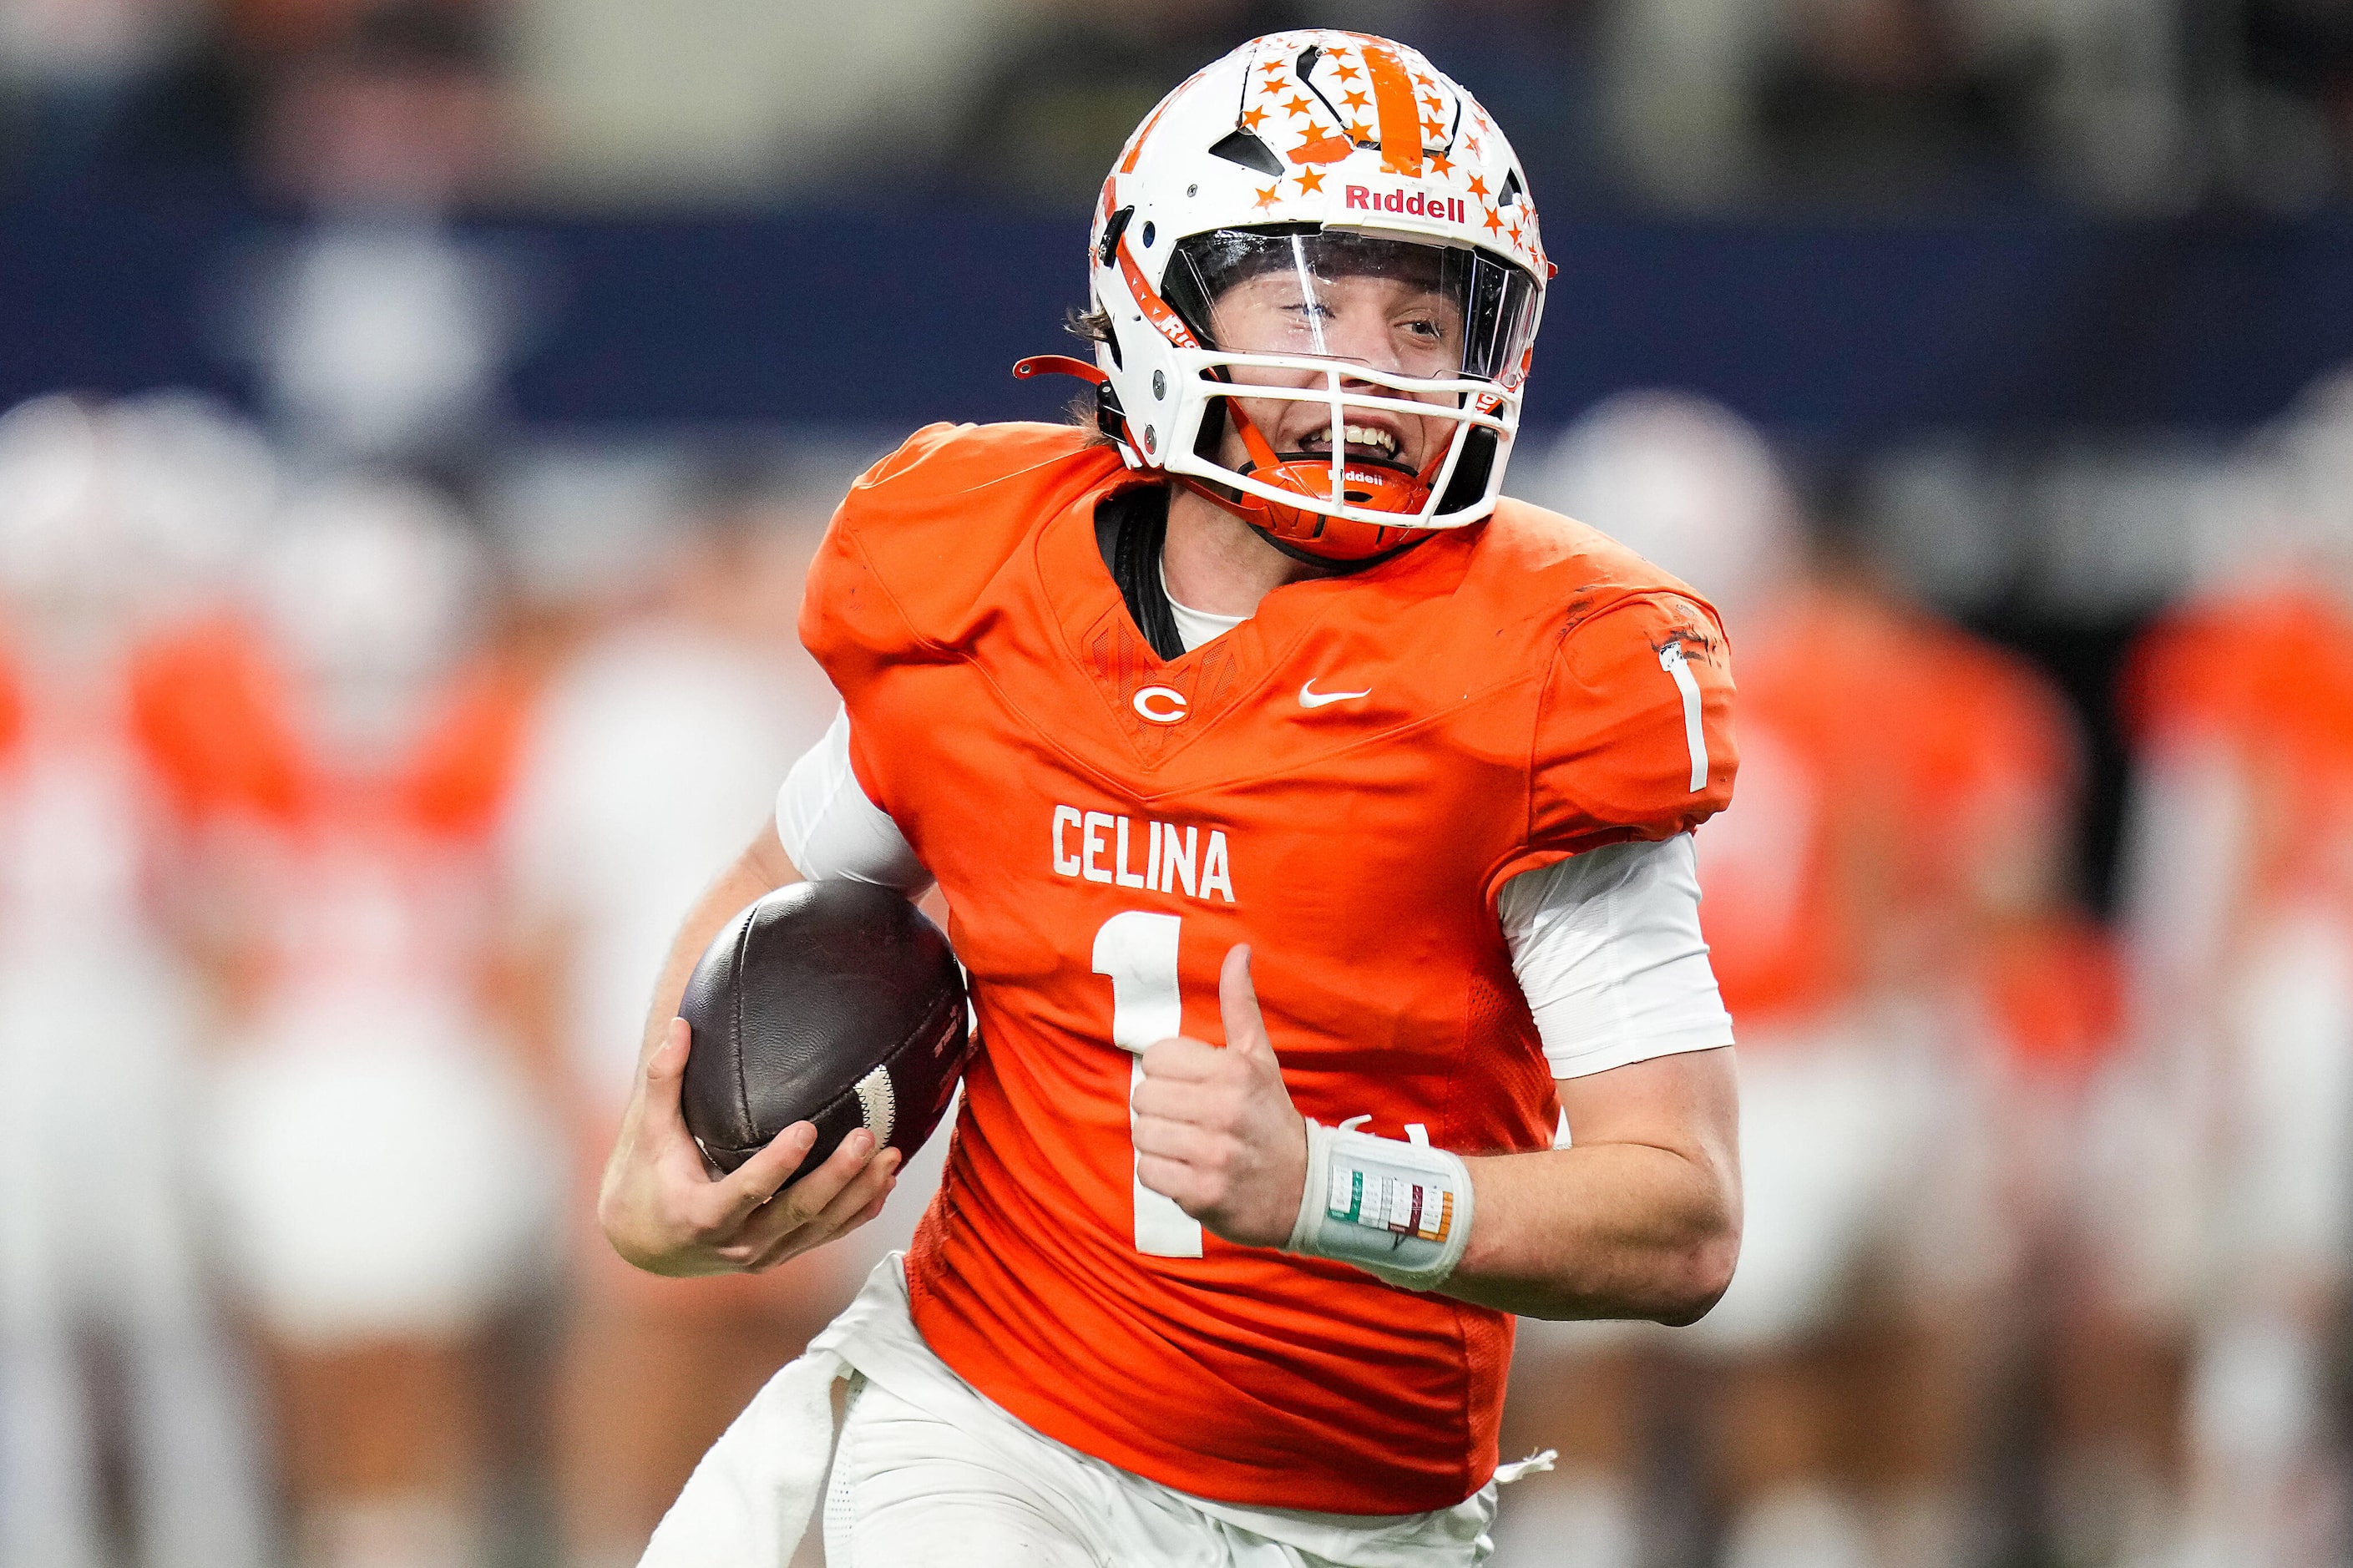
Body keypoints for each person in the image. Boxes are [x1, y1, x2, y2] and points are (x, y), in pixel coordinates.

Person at [602, 31, 1744, 1567]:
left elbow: (1683, 1216)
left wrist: (1327, 1189)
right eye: (1310, 300)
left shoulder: (1547, 669)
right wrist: (651, 1145)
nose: (1372, 370)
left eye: (1422, 319)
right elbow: (786, 872)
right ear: (1161, 293)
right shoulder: (976, 571)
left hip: (1354, 1510)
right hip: (988, 1420)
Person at [1507, 394, 2087, 1568]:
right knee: (1786, 1381)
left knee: (1603, 1382)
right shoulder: (1841, 676)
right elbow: (1896, 890)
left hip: (1616, 1053)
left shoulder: (1548, 686)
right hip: (1799, 1058)